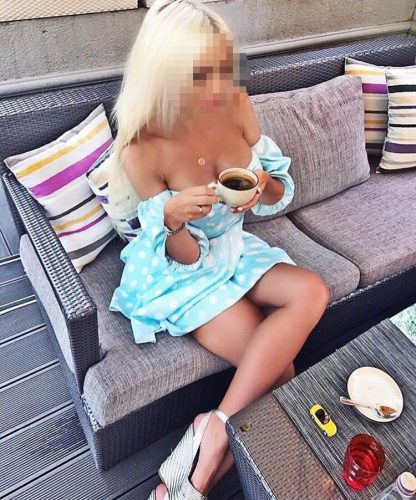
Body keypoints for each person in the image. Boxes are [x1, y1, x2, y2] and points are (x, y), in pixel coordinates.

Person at [107, 0, 330, 498]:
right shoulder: (141, 148)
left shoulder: (236, 100)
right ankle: (201, 476)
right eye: (199, 75)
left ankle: (212, 428)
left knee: (313, 290)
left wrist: (262, 183)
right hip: (180, 272)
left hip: (233, 247)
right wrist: (171, 219)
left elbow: (277, 191)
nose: (216, 87)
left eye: (221, 67)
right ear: (165, 75)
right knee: (280, 372)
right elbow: (182, 256)